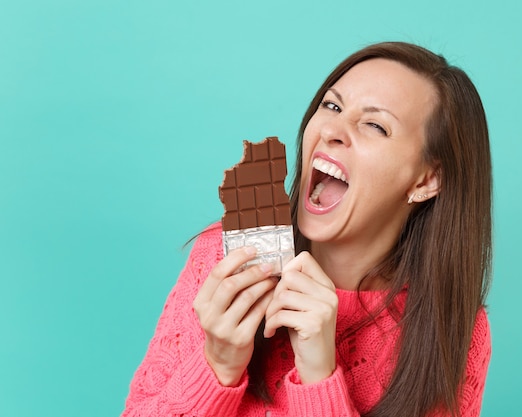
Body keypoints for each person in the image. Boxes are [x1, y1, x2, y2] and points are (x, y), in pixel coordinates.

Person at [121, 41, 493, 417]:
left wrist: (319, 378)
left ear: (426, 180)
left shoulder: (452, 331)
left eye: (374, 125)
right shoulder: (224, 257)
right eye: (332, 106)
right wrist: (218, 364)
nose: (333, 129)